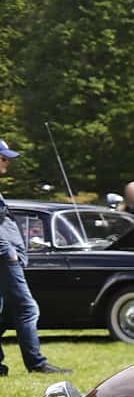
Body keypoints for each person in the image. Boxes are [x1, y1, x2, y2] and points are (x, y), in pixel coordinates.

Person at [0, 139, 68, 376]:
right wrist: (8, 253)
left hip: (6, 258)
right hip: (4, 259)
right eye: (3, 157)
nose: (7, 162)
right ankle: (37, 363)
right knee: (28, 309)